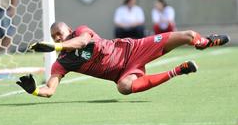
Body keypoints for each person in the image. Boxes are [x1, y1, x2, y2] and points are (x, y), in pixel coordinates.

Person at [16, 22, 229, 98]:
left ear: (69, 30)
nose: (57, 38)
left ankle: (204, 43)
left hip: (134, 49)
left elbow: (81, 43)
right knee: (124, 88)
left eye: (59, 34)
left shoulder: (81, 32)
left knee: (188, 36)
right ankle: (178, 71)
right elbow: (50, 90)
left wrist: (56, 46)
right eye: (54, 38)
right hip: (122, 73)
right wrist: (34, 90)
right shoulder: (61, 63)